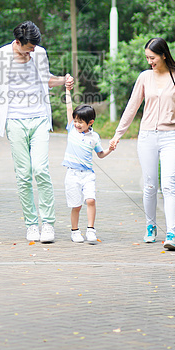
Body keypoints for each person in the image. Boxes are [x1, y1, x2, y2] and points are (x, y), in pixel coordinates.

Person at [0, 21, 73, 243]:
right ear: (18, 42)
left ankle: (48, 224)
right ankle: (32, 225)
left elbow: (46, 79)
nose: (33, 51)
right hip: (14, 120)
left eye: (35, 47)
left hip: (40, 117)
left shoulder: (39, 54)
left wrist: (63, 80)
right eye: (29, 48)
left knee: (41, 169)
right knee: (23, 175)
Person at [109, 37, 175, 251]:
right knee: (150, 186)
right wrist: (119, 134)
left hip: (170, 136)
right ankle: (150, 227)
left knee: (168, 185)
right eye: (147, 58)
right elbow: (132, 106)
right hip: (146, 137)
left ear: (164, 55)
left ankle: (171, 233)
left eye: (152, 58)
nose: (149, 62)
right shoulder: (145, 77)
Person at [62, 85, 112, 244]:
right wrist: (68, 90)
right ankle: (75, 231)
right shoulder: (71, 129)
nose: (76, 124)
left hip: (87, 175)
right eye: (75, 121)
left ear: (90, 122)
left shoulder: (94, 137)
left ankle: (91, 229)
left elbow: (100, 154)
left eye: (80, 122)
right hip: (72, 174)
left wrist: (109, 149)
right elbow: (69, 107)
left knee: (90, 200)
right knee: (76, 206)